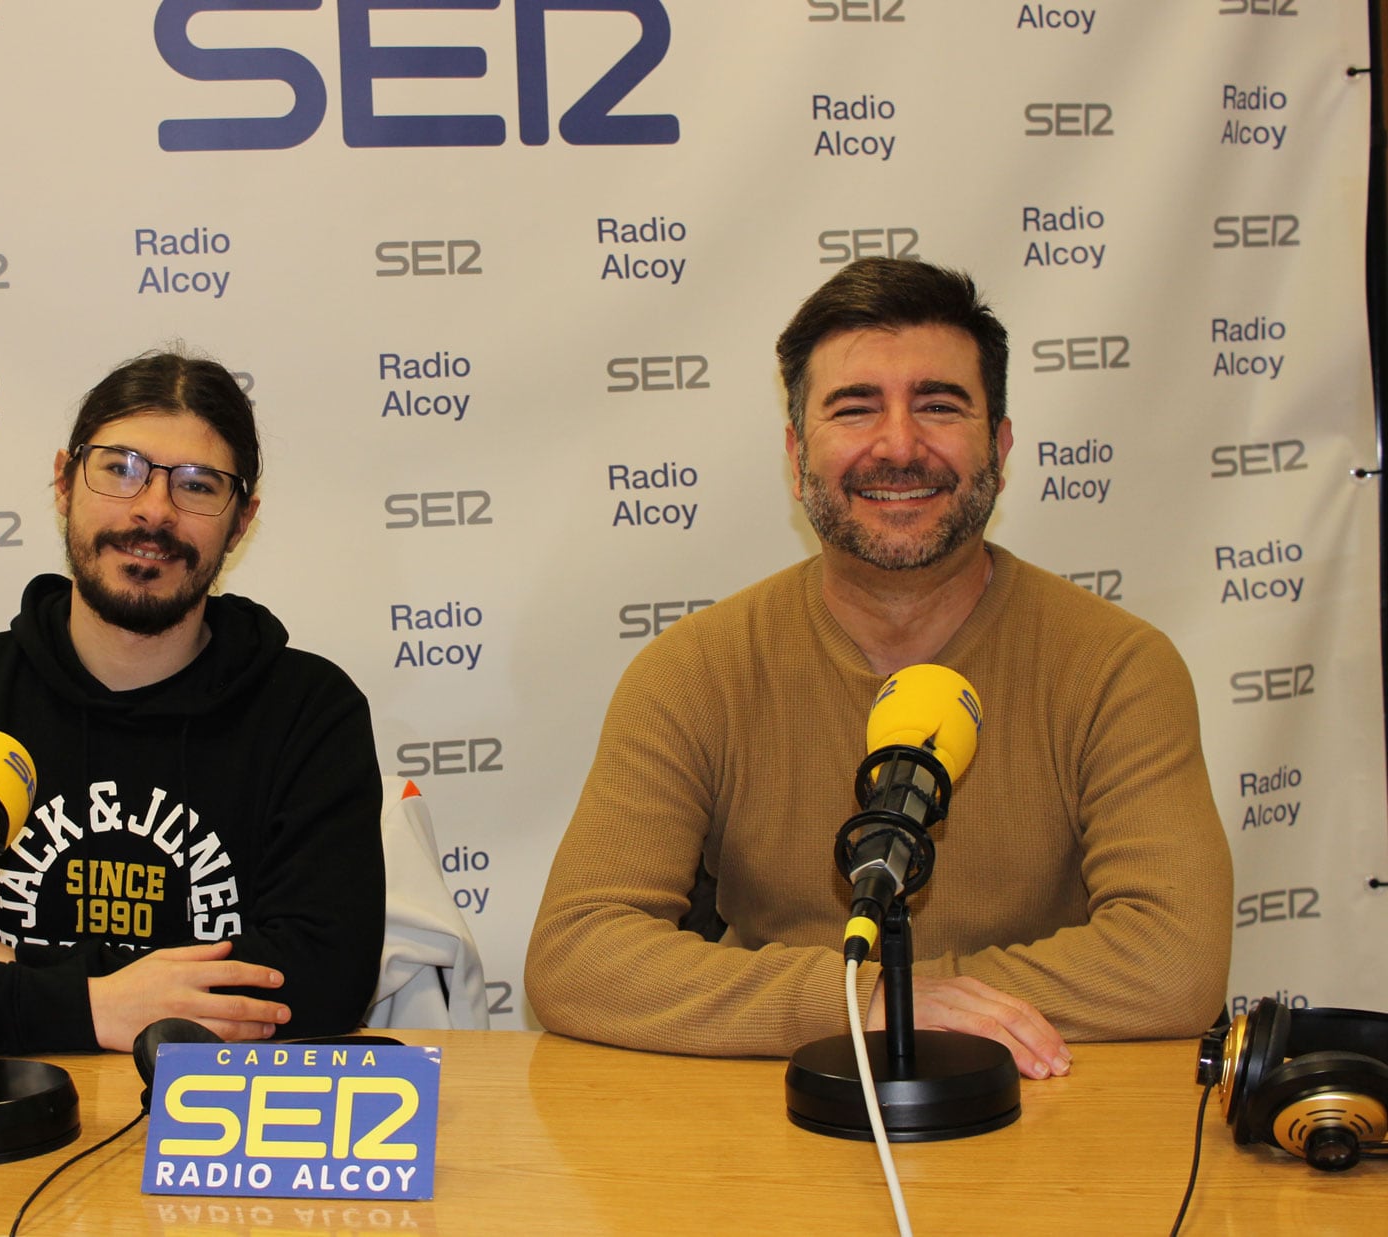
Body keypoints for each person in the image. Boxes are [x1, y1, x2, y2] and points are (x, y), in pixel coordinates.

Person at [524, 258, 1232, 1080]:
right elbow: (579, 952)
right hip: (776, 1132)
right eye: (856, 409)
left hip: (1046, 1121)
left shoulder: (1117, 668)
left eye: (939, 405)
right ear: (796, 458)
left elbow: (1175, 959)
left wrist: (917, 998)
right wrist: (855, 1001)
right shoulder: (694, 672)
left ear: (999, 448)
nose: (899, 445)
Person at [0, 350, 385, 1055]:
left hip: (206, 1146)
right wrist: (95, 1004)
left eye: (198, 486)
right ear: (63, 481)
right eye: (120, 468)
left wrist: (14, 967)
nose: (153, 510)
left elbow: (321, 984)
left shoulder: (309, 712)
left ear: (240, 522)